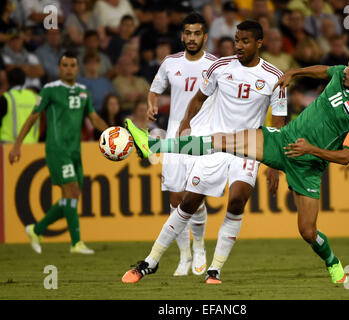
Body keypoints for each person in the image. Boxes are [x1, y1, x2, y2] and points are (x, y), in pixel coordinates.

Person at [126, 52, 349, 284]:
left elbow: (346, 156)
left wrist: (311, 150)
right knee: (221, 141)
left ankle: (332, 262)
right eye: (347, 66)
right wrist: (294, 72)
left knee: (308, 231)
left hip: (308, 166)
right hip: (282, 140)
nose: (346, 70)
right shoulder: (339, 74)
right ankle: (152, 145)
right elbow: (323, 70)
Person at [122, 20, 287, 285]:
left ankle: (215, 270)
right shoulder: (220, 67)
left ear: (259, 43)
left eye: (245, 41)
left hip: (248, 150)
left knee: (236, 201)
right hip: (215, 145)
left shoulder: (275, 76)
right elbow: (198, 98)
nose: (239, 46)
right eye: (236, 40)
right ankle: (149, 262)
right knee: (187, 203)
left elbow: (279, 122)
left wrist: (275, 164)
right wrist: (186, 123)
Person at [8, 51, 109, 254]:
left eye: (73, 65)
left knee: (71, 197)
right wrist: (17, 144)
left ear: (77, 68)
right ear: (59, 68)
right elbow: (32, 117)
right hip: (56, 149)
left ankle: (36, 229)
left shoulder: (83, 91)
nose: (69, 68)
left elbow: (94, 117)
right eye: (65, 65)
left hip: (75, 150)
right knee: (71, 192)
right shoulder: (49, 90)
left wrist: (111, 132)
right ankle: (76, 243)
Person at [143, 13, 217, 277]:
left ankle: (199, 248)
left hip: (201, 139)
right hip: (174, 138)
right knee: (176, 198)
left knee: (194, 197)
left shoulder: (215, 65)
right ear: (183, 36)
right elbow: (155, 90)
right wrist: (152, 103)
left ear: (204, 37)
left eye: (197, 33)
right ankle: (184, 256)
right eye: (188, 33)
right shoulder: (170, 62)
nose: (192, 38)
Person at [0, 68, 38, 143]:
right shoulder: (37, 98)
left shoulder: (5, 98)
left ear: (8, 80)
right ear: (24, 80)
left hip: (8, 145)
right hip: (32, 145)